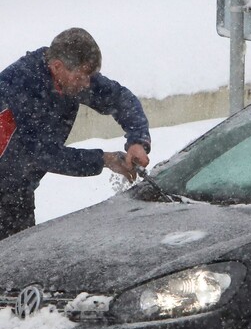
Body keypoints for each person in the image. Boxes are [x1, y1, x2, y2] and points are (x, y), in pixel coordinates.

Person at [0, 27, 151, 241]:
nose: (87, 84)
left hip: (17, 191)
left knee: (18, 260)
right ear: (57, 67)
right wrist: (103, 159)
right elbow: (43, 155)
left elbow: (120, 99)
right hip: (7, 186)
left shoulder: (72, 77)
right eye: (82, 76)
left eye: (91, 76)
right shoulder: (22, 84)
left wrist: (137, 140)